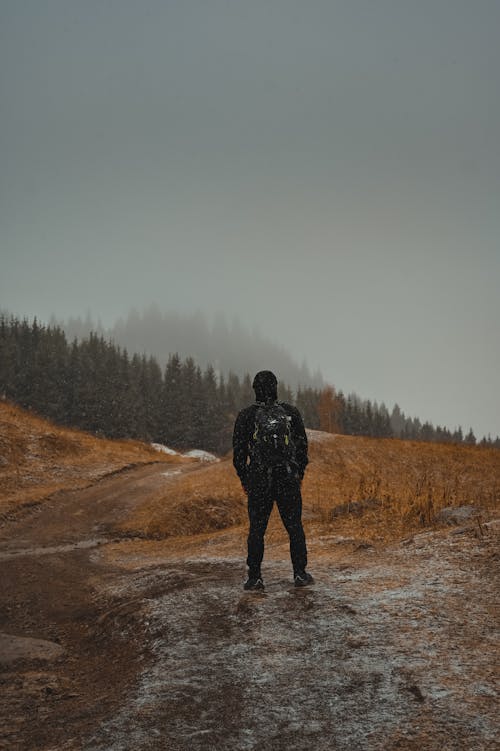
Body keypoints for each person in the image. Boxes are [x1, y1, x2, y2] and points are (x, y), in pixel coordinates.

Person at [232, 370, 314, 590]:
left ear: (255, 389)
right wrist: (298, 475)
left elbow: (239, 455)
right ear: (276, 387)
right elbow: (302, 449)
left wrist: (246, 480)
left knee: (257, 530)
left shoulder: (246, 416)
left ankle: (255, 578)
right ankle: (300, 574)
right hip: (287, 478)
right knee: (294, 526)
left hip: (259, 480)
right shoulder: (291, 413)